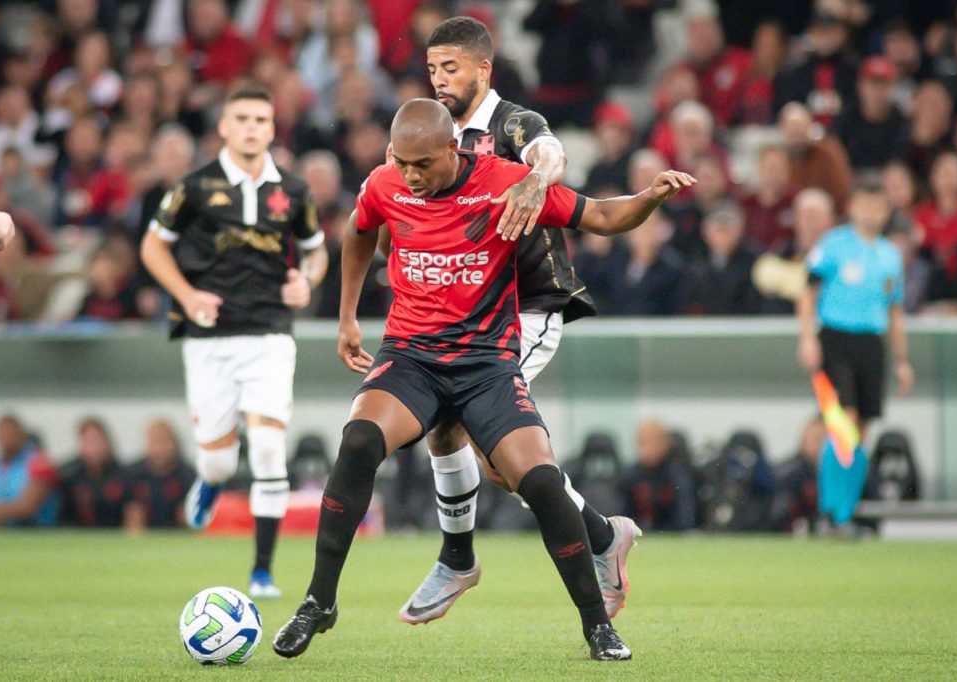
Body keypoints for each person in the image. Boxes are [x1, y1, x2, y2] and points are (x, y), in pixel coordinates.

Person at [270, 98, 695, 662]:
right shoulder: (383, 183)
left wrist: (649, 198)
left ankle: (597, 626)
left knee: (539, 480)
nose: (412, 176)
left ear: (454, 148)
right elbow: (357, 232)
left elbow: (600, 217)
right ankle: (318, 603)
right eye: (403, 163)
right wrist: (347, 317)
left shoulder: (505, 182)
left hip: (485, 365)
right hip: (412, 357)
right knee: (358, 441)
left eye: (423, 164)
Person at [400, 16, 639, 627]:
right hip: (464, 313)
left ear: (484, 67)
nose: (439, 79)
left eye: (450, 68)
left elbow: (550, 153)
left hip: (526, 307)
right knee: (481, 452)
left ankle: (459, 558)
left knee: (466, 427)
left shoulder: (512, 123)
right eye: (432, 69)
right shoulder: (431, 138)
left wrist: (536, 180)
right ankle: (602, 538)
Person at [140, 85, 329, 599]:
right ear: (223, 127)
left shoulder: (293, 190)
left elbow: (316, 252)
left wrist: (306, 282)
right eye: (240, 117)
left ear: (272, 128)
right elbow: (152, 245)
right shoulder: (195, 187)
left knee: (269, 448)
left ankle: (262, 572)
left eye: (260, 119)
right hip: (209, 339)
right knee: (220, 462)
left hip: (269, 334)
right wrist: (186, 293)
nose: (250, 127)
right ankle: (210, 478)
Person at [797, 179, 914, 526]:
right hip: (835, 338)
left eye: (878, 206)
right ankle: (830, 509)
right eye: (864, 204)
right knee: (841, 420)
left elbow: (895, 310)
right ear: (852, 207)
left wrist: (902, 360)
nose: (871, 212)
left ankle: (844, 511)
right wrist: (807, 337)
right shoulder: (833, 245)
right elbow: (808, 291)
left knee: (861, 429)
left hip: (871, 342)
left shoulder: (890, 255)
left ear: (886, 210)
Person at [0, 414, 59, 528]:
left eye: (11, 433)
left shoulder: (39, 463)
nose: (7, 438)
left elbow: (27, 508)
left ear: (21, 435)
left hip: (33, 533)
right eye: (3, 433)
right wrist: (7, 510)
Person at [616, 420, 697, 532]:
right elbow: (621, 519)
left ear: (665, 443)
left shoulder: (678, 476)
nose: (647, 449)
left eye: (653, 441)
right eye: (643, 442)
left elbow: (685, 519)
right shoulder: (629, 476)